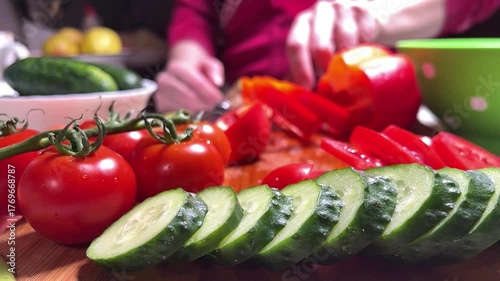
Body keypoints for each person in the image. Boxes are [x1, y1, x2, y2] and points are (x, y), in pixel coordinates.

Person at [154, 0, 500, 113]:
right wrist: (187, 57)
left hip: (371, 113)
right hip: (234, 109)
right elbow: (196, 10)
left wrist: (376, 10)